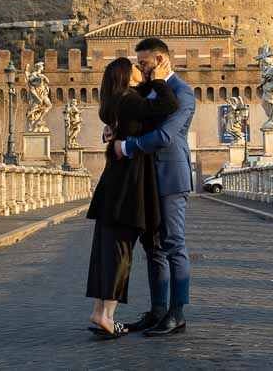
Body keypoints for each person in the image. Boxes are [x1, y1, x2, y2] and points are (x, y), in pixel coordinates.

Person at [108, 38, 196, 337]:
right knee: (153, 247)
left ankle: (177, 313)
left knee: (174, 244)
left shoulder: (183, 93)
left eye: (143, 63)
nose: (139, 69)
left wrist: (127, 146)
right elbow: (137, 116)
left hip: (170, 177)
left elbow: (165, 136)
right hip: (145, 179)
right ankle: (158, 310)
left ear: (159, 60)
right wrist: (116, 128)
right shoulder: (149, 91)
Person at [86, 57, 178, 339]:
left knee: (106, 249)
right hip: (128, 187)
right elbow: (167, 105)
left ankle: (100, 310)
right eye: (137, 68)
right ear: (126, 76)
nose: (142, 70)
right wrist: (161, 81)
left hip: (113, 186)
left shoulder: (118, 101)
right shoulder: (129, 100)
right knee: (120, 253)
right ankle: (107, 316)